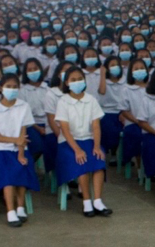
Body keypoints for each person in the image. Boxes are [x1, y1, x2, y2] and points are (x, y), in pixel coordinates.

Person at [0, 75, 37, 227]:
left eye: (15, 87)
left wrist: (20, 152)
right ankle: (10, 211)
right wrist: (14, 141)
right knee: (7, 173)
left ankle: (20, 207)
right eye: (9, 86)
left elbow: (23, 132)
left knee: (23, 165)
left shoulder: (23, 106)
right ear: (0, 88)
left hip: (19, 147)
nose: (12, 90)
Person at [54, 68, 110, 218]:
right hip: (69, 143)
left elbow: (96, 125)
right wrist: (77, 149)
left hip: (89, 139)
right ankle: (86, 201)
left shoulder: (91, 100)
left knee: (98, 160)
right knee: (82, 162)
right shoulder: (63, 101)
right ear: (66, 82)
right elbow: (65, 129)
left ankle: (98, 201)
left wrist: (97, 146)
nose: (77, 82)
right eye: (73, 80)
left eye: (80, 78)